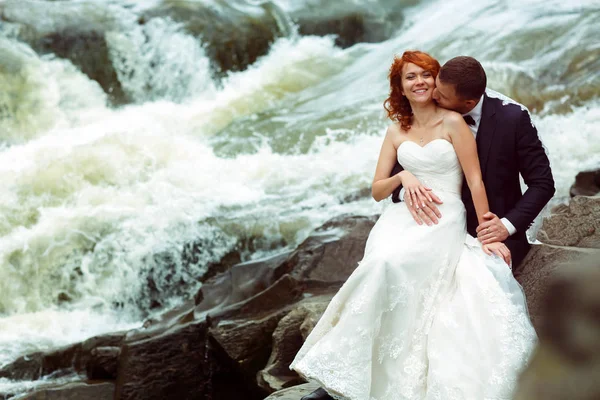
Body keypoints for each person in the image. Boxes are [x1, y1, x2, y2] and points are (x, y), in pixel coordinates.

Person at [290, 51, 545, 400]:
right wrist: (403, 176)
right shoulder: (397, 130)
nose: (424, 84)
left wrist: (494, 229)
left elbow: (482, 181)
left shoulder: (486, 119)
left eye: (428, 76)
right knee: (380, 265)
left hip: (449, 217)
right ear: (401, 88)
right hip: (404, 217)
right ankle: (342, 378)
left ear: (453, 92)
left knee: (393, 267)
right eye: (412, 77)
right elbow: (380, 187)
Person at [392, 55, 555, 274]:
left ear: (468, 103)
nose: (433, 94)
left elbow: (542, 184)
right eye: (436, 86)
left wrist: (505, 227)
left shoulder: (513, 119)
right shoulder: (427, 109)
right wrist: (410, 193)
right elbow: (399, 166)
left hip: (489, 232)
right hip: (434, 225)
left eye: (441, 94)